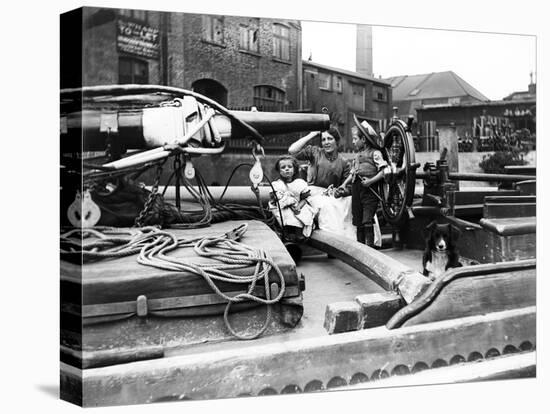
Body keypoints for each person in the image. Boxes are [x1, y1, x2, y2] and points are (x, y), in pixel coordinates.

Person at [288, 127, 354, 238]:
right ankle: (330, 239)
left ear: (336, 141)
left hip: (332, 196)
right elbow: (292, 150)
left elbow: (347, 187)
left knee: (349, 203)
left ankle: (344, 240)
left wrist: (339, 191)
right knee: (327, 206)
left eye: (330, 139)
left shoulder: (344, 162)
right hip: (313, 194)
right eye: (323, 140)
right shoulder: (315, 152)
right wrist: (312, 134)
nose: (326, 142)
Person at [340, 116, 388, 246]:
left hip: (369, 191)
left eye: (355, 139)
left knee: (367, 220)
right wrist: (344, 184)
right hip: (357, 190)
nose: (354, 142)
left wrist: (371, 181)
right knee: (358, 220)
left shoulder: (375, 153)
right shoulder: (357, 155)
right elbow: (353, 173)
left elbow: (384, 171)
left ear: (364, 140)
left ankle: (370, 248)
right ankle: (360, 248)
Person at [269, 155, 318, 240]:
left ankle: (299, 232)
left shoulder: (300, 183)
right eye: (283, 167)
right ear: (279, 171)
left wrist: (299, 207)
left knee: (303, 214)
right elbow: (274, 198)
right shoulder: (277, 184)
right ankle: (287, 232)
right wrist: (281, 199)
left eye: (290, 167)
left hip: (299, 205)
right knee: (285, 214)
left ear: (294, 169)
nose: (287, 169)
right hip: (284, 206)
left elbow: (305, 198)